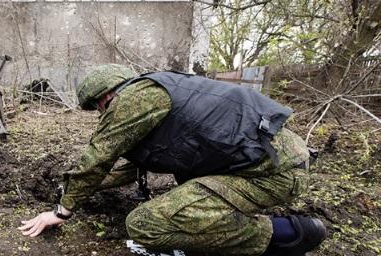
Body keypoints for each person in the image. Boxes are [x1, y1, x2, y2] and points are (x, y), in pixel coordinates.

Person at [18, 64, 327, 255]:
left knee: (144, 225)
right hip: (272, 163)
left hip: (271, 173)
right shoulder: (161, 90)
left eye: (99, 107)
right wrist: (78, 188)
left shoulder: (135, 97)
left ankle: (286, 234)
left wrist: (62, 210)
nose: (102, 113)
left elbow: (99, 155)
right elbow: (124, 169)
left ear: (106, 96)